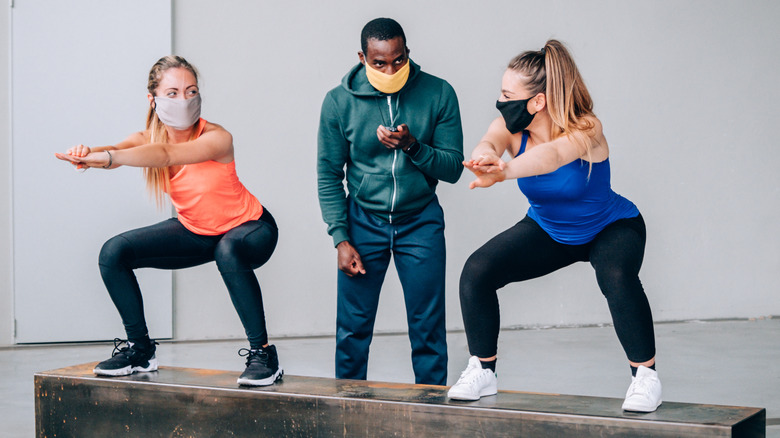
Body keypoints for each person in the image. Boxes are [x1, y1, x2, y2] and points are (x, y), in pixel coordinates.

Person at [447, 40, 662, 413]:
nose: (500, 102)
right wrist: (486, 156)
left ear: (537, 102)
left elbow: (553, 157)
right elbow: (491, 140)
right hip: (550, 229)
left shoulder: (586, 127)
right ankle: (483, 369)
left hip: (611, 226)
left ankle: (646, 377)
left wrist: (504, 173)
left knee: (615, 276)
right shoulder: (511, 128)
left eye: (507, 95)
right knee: (477, 271)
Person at [55, 55, 283, 387]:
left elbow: (166, 155)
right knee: (113, 252)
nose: (184, 100)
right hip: (199, 233)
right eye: (173, 93)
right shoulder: (148, 137)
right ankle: (140, 349)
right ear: (154, 99)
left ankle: (263, 355)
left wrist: (107, 158)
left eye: (191, 91)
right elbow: (119, 148)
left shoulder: (217, 138)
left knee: (228, 249)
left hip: (251, 230)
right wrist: (87, 153)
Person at [317, 18, 463, 385]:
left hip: (421, 221)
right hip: (364, 222)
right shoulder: (338, 102)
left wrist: (413, 146)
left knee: (428, 327)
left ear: (407, 54)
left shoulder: (439, 93)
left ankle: (431, 413)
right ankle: (348, 409)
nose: (390, 69)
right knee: (352, 329)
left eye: (398, 60)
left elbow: (452, 168)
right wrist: (340, 237)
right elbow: (328, 173)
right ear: (363, 58)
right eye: (379, 62)